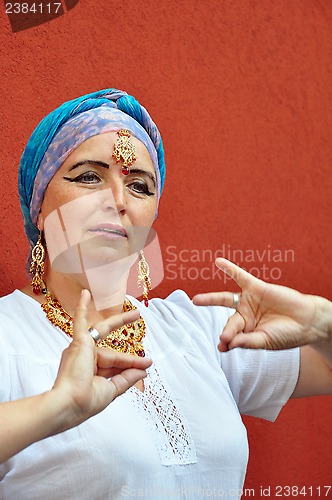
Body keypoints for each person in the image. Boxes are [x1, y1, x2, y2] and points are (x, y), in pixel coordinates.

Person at [0, 88, 331, 499]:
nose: (118, 201)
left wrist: (321, 322)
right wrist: (57, 407)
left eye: (139, 186)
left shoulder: (196, 332)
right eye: (89, 177)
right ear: (39, 205)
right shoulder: (8, 337)